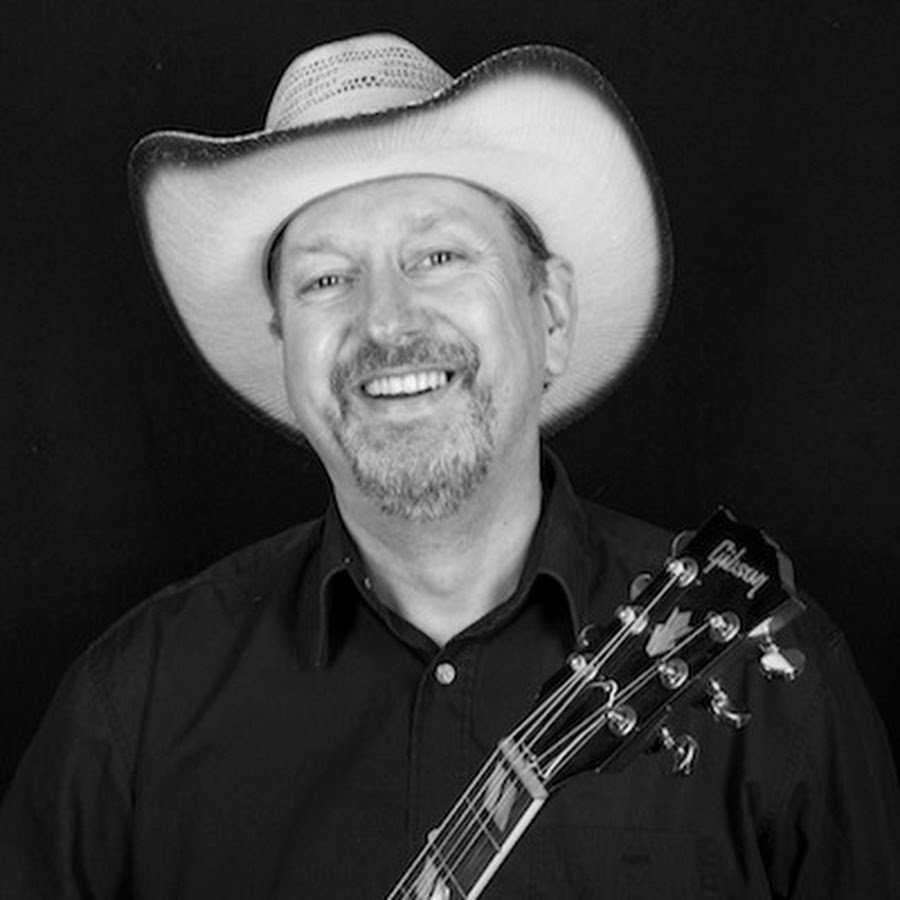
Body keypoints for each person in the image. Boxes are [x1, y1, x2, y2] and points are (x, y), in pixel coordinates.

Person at [1, 32, 898, 899]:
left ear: (550, 314)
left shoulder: (768, 683)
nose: (386, 321)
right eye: (325, 278)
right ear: (284, 345)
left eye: (438, 256)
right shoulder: (129, 716)